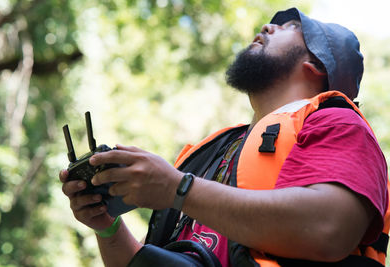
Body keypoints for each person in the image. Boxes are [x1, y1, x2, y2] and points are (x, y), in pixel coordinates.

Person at [60, 7, 389, 267]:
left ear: (316, 64)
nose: (267, 27)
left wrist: (177, 189)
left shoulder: (338, 124)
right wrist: (107, 227)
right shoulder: (215, 151)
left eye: (292, 28)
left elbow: (329, 230)